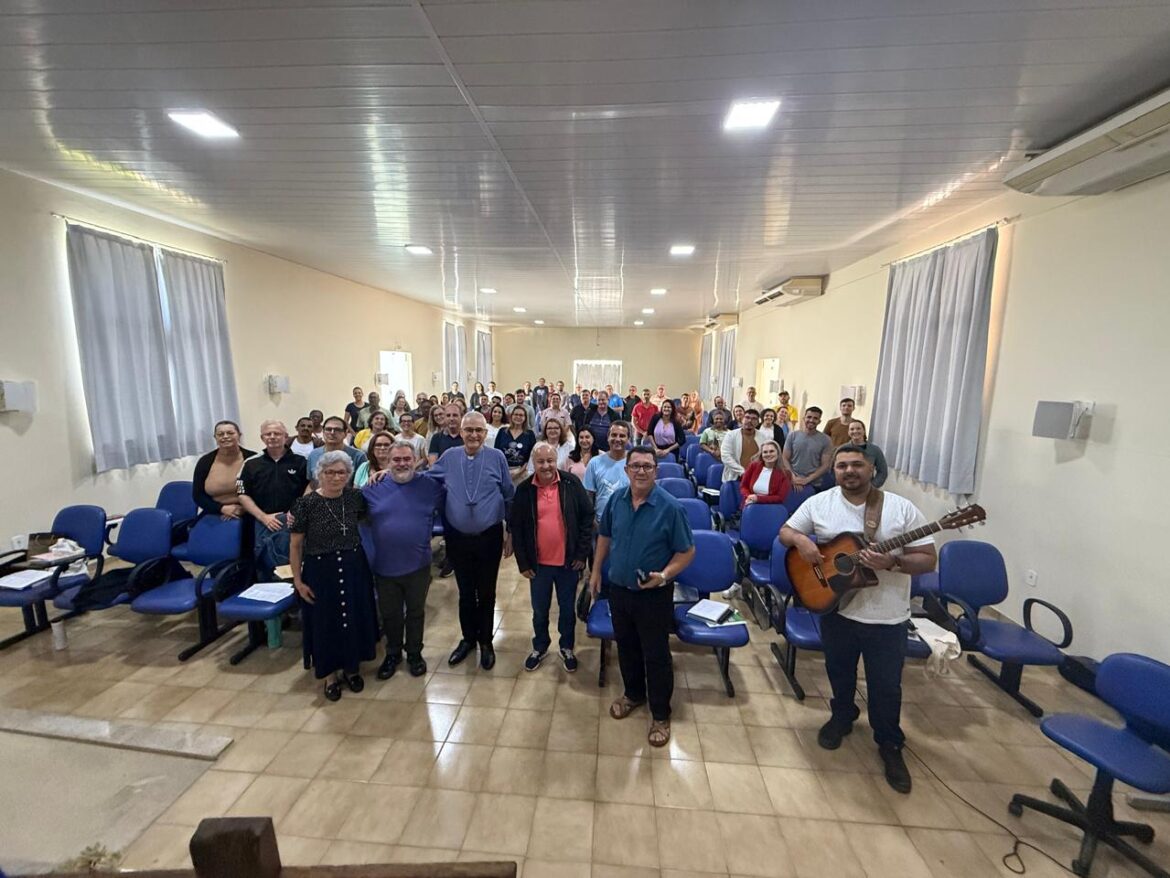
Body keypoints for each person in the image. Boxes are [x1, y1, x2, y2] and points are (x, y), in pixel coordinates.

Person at [779, 445, 937, 793]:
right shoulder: (821, 503)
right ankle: (841, 716)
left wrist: (894, 563)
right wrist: (803, 541)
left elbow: (927, 558)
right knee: (839, 670)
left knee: (885, 686)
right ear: (833, 470)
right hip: (838, 608)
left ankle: (890, 742)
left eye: (856, 465)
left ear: (871, 469)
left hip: (887, 616)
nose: (849, 471)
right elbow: (786, 532)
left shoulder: (899, 508)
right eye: (842, 466)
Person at [590, 447, 695, 747]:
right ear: (626, 470)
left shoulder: (671, 507)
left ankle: (660, 713)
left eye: (647, 466)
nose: (641, 471)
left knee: (656, 654)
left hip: (654, 595)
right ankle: (633, 694)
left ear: (656, 471)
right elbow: (605, 537)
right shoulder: (616, 501)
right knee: (626, 647)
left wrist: (664, 575)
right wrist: (596, 571)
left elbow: (687, 551)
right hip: (619, 590)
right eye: (635, 465)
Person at [290, 451, 378, 702]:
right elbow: (295, 546)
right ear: (320, 474)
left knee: (352, 616)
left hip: (353, 566)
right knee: (325, 621)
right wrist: (298, 580)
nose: (336, 477)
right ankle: (329, 675)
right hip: (320, 570)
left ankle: (351, 669)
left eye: (341, 472)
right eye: (330, 472)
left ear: (349, 475)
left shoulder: (354, 498)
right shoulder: (305, 504)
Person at [429, 412, 515, 670]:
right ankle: (468, 640)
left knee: (486, 592)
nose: (474, 435)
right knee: (465, 592)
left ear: (486, 432)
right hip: (457, 537)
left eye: (479, 430)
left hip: (488, 537)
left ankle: (486, 642)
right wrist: (387, 472)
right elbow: (427, 478)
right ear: (461, 432)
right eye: (469, 430)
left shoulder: (497, 457)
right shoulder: (449, 457)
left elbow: (509, 495)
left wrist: (510, 531)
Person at [363, 439, 445, 679]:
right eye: (396, 459)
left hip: (418, 564)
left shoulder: (430, 485)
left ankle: (415, 653)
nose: (401, 463)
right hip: (384, 566)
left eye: (406, 459)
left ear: (415, 461)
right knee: (391, 614)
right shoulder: (371, 489)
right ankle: (393, 653)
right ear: (388, 462)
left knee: (416, 612)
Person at [511, 442, 593, 673]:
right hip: (538, 566)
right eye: (540, 461)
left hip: (568, 563)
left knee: (567, 609)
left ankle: (566, 646)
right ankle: (540, 646)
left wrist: (581, 554)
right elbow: (517, 528)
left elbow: (587, 518)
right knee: (540, 610)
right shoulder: (525, 489)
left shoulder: (571, 483)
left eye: (550, 460)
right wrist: (523, 563)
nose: (546, 466)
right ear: (533, 463)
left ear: (556, 459)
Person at [238, 420, 310, 582]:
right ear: (262, 438)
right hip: (263, 522)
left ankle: (297, 603)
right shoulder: (251, 464)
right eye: (268, 434)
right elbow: (242, 494)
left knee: (296, 566)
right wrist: (263, 517)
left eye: (277, 433)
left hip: (294, 521)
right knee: (266, 567)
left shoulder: (301, 461)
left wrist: (297, 511)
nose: (272, 437)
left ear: (285, 437)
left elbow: (311, 487)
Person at [193, 420, 256, 520]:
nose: (225, 436)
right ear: (215, 438)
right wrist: (221, 508)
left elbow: (262, 491)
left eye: (230, 433)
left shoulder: (253, 459)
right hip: (214, 511)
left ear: (239, 435)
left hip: (249, 512)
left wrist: (244, 508)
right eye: (220, 434)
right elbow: (198, 495)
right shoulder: (205, 462)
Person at [583, 421, 631, 524]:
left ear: (628, 440)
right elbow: (588, 496)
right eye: (614, 435)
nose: (617, 439)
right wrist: (593, 521)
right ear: (608, 437)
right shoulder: (594, 463)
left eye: (622, 436)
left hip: (629, 524)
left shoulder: (635, 463)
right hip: (601, 524)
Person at [783, 407, 834, 490]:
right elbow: (785, 458)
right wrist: (792, 476)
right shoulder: (792, 435)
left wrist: (807, 479)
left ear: (819, 421)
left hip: (814, 483)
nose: (811, 420)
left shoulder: (826, 440)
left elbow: (826, 465)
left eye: (815, 418)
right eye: (809, 417)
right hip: (791, 480)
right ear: (804, 418)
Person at [308, 416, 367, 481]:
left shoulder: (358, 456)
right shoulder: (313, 454)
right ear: (323, 432)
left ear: (345, 433)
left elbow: (361, 484)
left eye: (337, 430)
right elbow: (311, 482)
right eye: (328, 429)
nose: (332, 432)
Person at [740, 439, 792, 505]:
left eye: (771, 451)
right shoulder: (753, 466)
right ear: (761, 454)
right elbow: (743, 486)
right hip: (750, 504)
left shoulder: (786, 473)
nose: (768, 454)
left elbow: (780, 498)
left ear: (778, 453)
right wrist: (749, 496)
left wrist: (758, 499)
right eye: (765, 452)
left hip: (771, 508)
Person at [496, 404, 537, 484]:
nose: (518, 417)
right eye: (516, 414)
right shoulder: (502, 431)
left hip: (521, 473)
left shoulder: (530, 434)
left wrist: (519, 473)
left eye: (521, 415)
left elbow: (531, 457)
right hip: (502, 472)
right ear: (511, 416)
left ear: (525, 418)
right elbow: (496, 453)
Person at [720, 408, 761, 482]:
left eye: (754, 418)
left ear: (758, 423)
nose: (749, 421)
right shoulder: (731, 435)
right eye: (747, 417)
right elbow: (725, 456)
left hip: (757, 478)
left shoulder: (763, 437)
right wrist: (742, 472)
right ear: (742, 420)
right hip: (735, 477)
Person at [847, 421, 888, 488]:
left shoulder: (875, 450)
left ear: (864, 431)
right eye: (852, 429)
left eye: (858, 428)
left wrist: (872, 486)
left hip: (867, 489)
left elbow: (883, 472)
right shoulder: (842, 449)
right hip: (846, 488)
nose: (855, 431)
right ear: (848, 432)